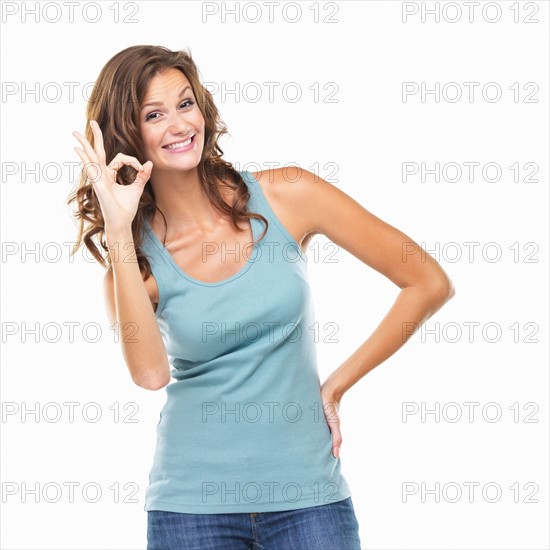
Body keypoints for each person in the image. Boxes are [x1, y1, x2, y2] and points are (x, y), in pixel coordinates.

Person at [67, 45, 455, 550]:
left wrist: (336, 386)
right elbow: (150, 376)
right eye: (154, 115)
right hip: (191, 508)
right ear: (128, 134)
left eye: (186, 104)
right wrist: (119, 232)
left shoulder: (290, 193)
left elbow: (428, 282)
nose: (180, 125)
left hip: (309, 496)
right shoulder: (134, 266)